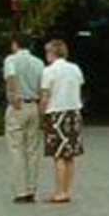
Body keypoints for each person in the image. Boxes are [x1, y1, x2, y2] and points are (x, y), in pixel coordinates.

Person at [38, 38, 86, 203]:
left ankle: (59, 192)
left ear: (52, 53)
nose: (46, 55)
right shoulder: (75, 68)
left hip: (56, 114)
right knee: (70, 155)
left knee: (58, 155)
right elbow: (79, 87)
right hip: (74, 113)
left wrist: (41, 113)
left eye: (47, 52)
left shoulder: (48, 71)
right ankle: (67, 190)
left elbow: (45, 95)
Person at [2, 33, 45, 203]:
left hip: (18, 106)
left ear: (15, 44)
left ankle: (20, 190)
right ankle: (32, 189)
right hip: (33, 105)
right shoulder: (39, 63)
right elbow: (43, 86)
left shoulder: (11, 60)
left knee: (16, 148)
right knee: (32, 149)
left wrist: (13, 97)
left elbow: (11, 78)